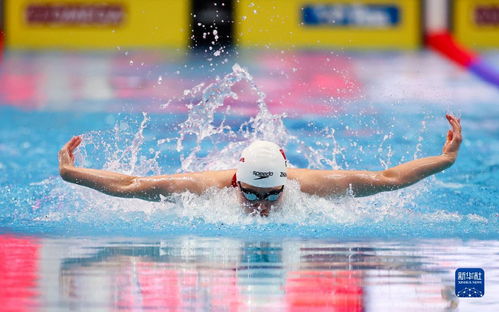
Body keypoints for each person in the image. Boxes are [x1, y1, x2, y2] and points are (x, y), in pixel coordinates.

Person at [59, 114, 462, 216]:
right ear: (235, 180)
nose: (261, 205)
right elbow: (132, 184)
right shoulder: (202, 186)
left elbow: (387, 178)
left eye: (271, 194)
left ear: (287, 182)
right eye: (250, 192)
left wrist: (445, 160)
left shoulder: (313, 185)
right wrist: (71, 173)